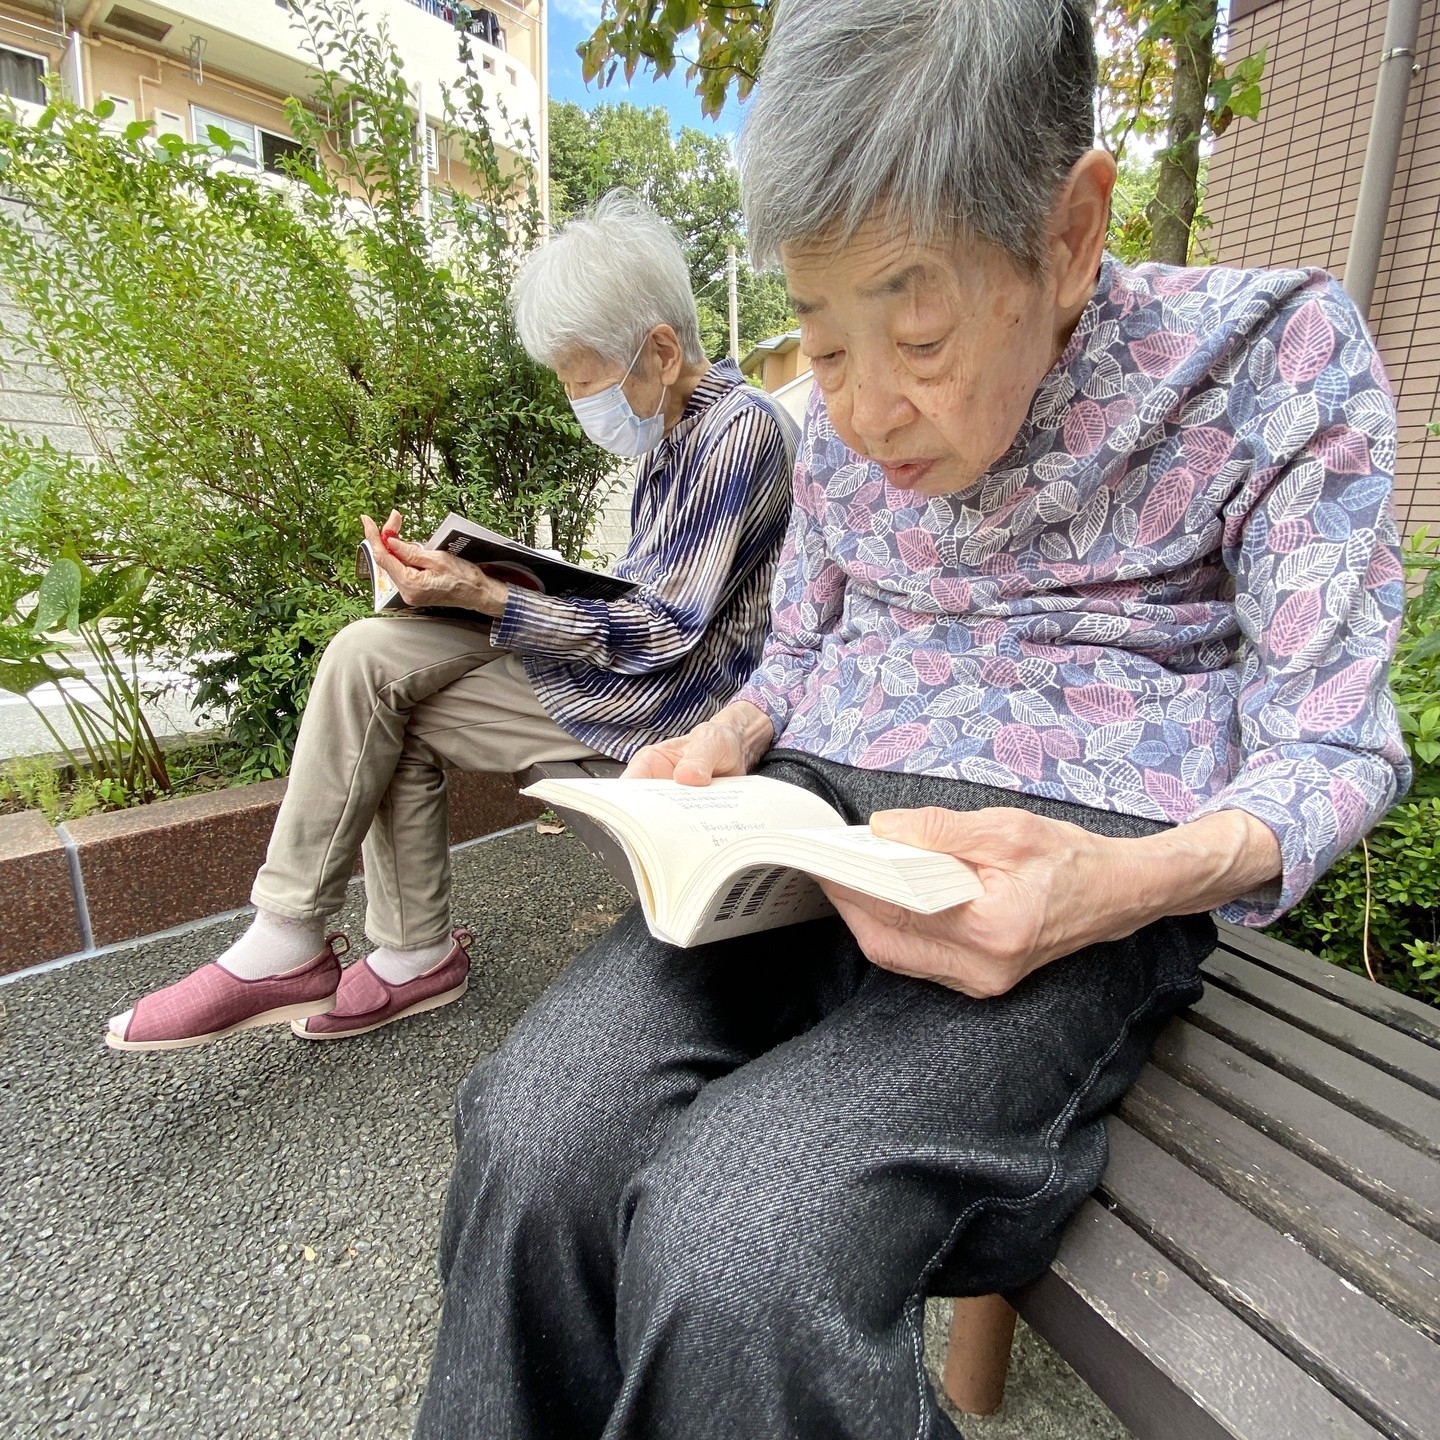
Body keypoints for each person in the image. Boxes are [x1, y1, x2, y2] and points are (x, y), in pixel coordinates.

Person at [414, 1, 1410, 1436]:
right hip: (808, 832)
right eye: (820, 345)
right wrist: (726, 748)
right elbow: (801, 655)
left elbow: (1336, 742)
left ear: (1070, 233)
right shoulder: (827, 436)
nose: (867, 412)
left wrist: (1125, 883)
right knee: (533, 1128)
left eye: (920, 333)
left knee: (744, 1237)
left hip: (1070, 864)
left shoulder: (1269, 365)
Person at [105, 193, 798, 1052]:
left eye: (584, 381)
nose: (578, 400)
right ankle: (352, 945)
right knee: (367, 654)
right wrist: (461, 582)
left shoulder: (739, 433)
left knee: (379, 691)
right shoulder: (675, 431)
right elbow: (640, 599)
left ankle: (367, 948)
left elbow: (665, 632)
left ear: (659, 349)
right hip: (621, 687)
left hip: (662, 710)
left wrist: (490, 596)